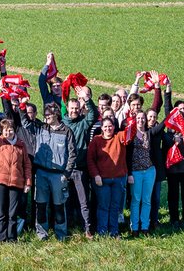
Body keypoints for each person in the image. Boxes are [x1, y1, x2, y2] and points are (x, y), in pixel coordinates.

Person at [29, 103, 77, 241]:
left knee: (59, 206)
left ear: (56, 114)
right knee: (41, 205)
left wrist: (66, 174)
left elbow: (73, 154)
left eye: (49, 114)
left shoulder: (66, 131)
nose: (46, 117)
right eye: (45, 114)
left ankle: (61, 234)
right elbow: (25, 120)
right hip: (41, 173)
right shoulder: (41, 128)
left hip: (58, 175)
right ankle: (41, 233)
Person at [0, 119, 31, 242]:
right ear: (2, 131)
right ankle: (0, 238)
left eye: (10, 129)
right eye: (5, 130)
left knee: (12, 213)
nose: (8, 132)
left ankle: (12, 238)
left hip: (16, 183)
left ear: (14, 130)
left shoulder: (21, 145)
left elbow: (27, 165)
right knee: (1, 213)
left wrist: (28, 182)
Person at [61, 87, 96, 238]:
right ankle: (66, 227)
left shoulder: (83, 122)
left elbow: (94, 114)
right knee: (66, 200)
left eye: (76, 108)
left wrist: (86, 99)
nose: (74, 111)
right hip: (65, 169)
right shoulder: (62, 123)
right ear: (67, 109)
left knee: (84, 201)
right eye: (72, 108)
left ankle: (87, 228)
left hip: (81, 168)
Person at [87, 117, 128, 238]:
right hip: (102, 180)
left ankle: (114, 232)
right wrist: (96, 175)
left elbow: (130, 133)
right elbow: (90, 160)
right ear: (101, 128)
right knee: (103, 206)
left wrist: (132, 119)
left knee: (115, 206)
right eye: (105, 126)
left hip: (118, 178)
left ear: (114, 127)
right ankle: (102, 232)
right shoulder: (96, 140)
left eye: (110, 126)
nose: (108, 128)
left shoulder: (119, 137)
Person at [126, 111, 156, 238]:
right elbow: (127, 155)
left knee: (146, 200)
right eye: (138, 118)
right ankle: (134, 227)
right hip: (135, 172)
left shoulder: (149, 133)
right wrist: (129, 173)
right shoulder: (130, 134)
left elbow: (163, 124)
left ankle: (145, 227)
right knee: (136, 200)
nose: (140, 120)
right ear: (135, 119)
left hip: (149, 170)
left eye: (143, 118)